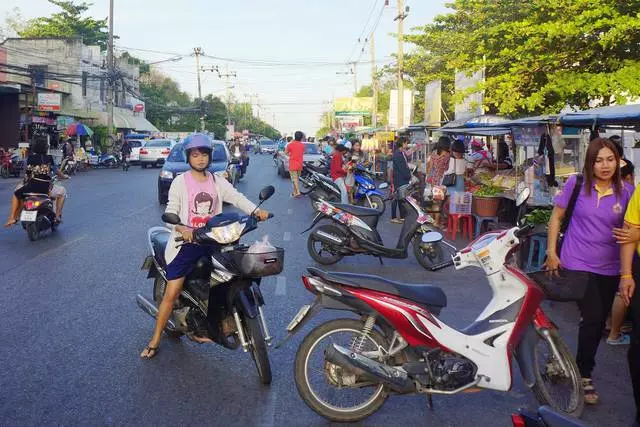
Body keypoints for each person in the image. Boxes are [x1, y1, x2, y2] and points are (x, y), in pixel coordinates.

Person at [140, 134, 270, 359]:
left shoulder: (217, 180)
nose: (200, 159)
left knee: (240, 271)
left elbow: (236, 197)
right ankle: (155, 340)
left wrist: (255, 211)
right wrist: (183, 229)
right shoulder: (181, 181)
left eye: (204, 155)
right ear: (189, 158)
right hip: (187, 243)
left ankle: (222, 319)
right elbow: (170, 211)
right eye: (195, 155)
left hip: (216, 239)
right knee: (172, 292)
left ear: (210, 157)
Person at [544, 137, 634, 405]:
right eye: (598, 160)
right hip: (577, 263)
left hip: (610, 267)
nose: (605, 165)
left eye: (610, 159)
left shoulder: (627, 192)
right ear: (590, 163)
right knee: (594, 317)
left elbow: (632, 229)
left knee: (594, 321)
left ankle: (568, 361)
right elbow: (557, 217)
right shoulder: (577, 184)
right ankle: (584, 374)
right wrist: (551, 252)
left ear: (618, 161)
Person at [5, 137, 68, 227]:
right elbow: (56, 171)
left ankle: (12, 217)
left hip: (31, 187)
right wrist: (64, 176)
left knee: (16, 194)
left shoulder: (30, 158)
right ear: (46, 148)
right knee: (63, 191)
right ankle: (57, 216)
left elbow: (27, 173)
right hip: (45, 189)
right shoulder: (49, 158)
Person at [425, 136, 452, 225]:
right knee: (438, 202)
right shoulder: (448, 155)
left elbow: (430, 167)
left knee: (432, 201)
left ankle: (432, 219)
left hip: (432, 179)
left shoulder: (433, 153)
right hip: (441, 180)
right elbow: (447, 168)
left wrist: (428, 177)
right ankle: (436, 222)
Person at [390, 137, 412, 224]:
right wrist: (408, 176)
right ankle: (394, 217)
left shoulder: (400, 153)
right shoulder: (398, 154)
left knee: (400, 198)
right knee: (398, 198)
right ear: (402, 144)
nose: (407, 145)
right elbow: (402, 168)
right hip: (400, 179)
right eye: (406, 143)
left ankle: (402, 216)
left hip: (399, 178)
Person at [286, 131, 305, 198]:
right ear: (301, 137)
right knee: (296, 179)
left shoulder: (290, 144)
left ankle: (298, 191)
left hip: (293, 164)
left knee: (294, 179)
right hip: (300, 165)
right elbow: (302, 152)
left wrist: (290, 154)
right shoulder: (302, 145)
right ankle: (295, 193)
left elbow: (286, 152)